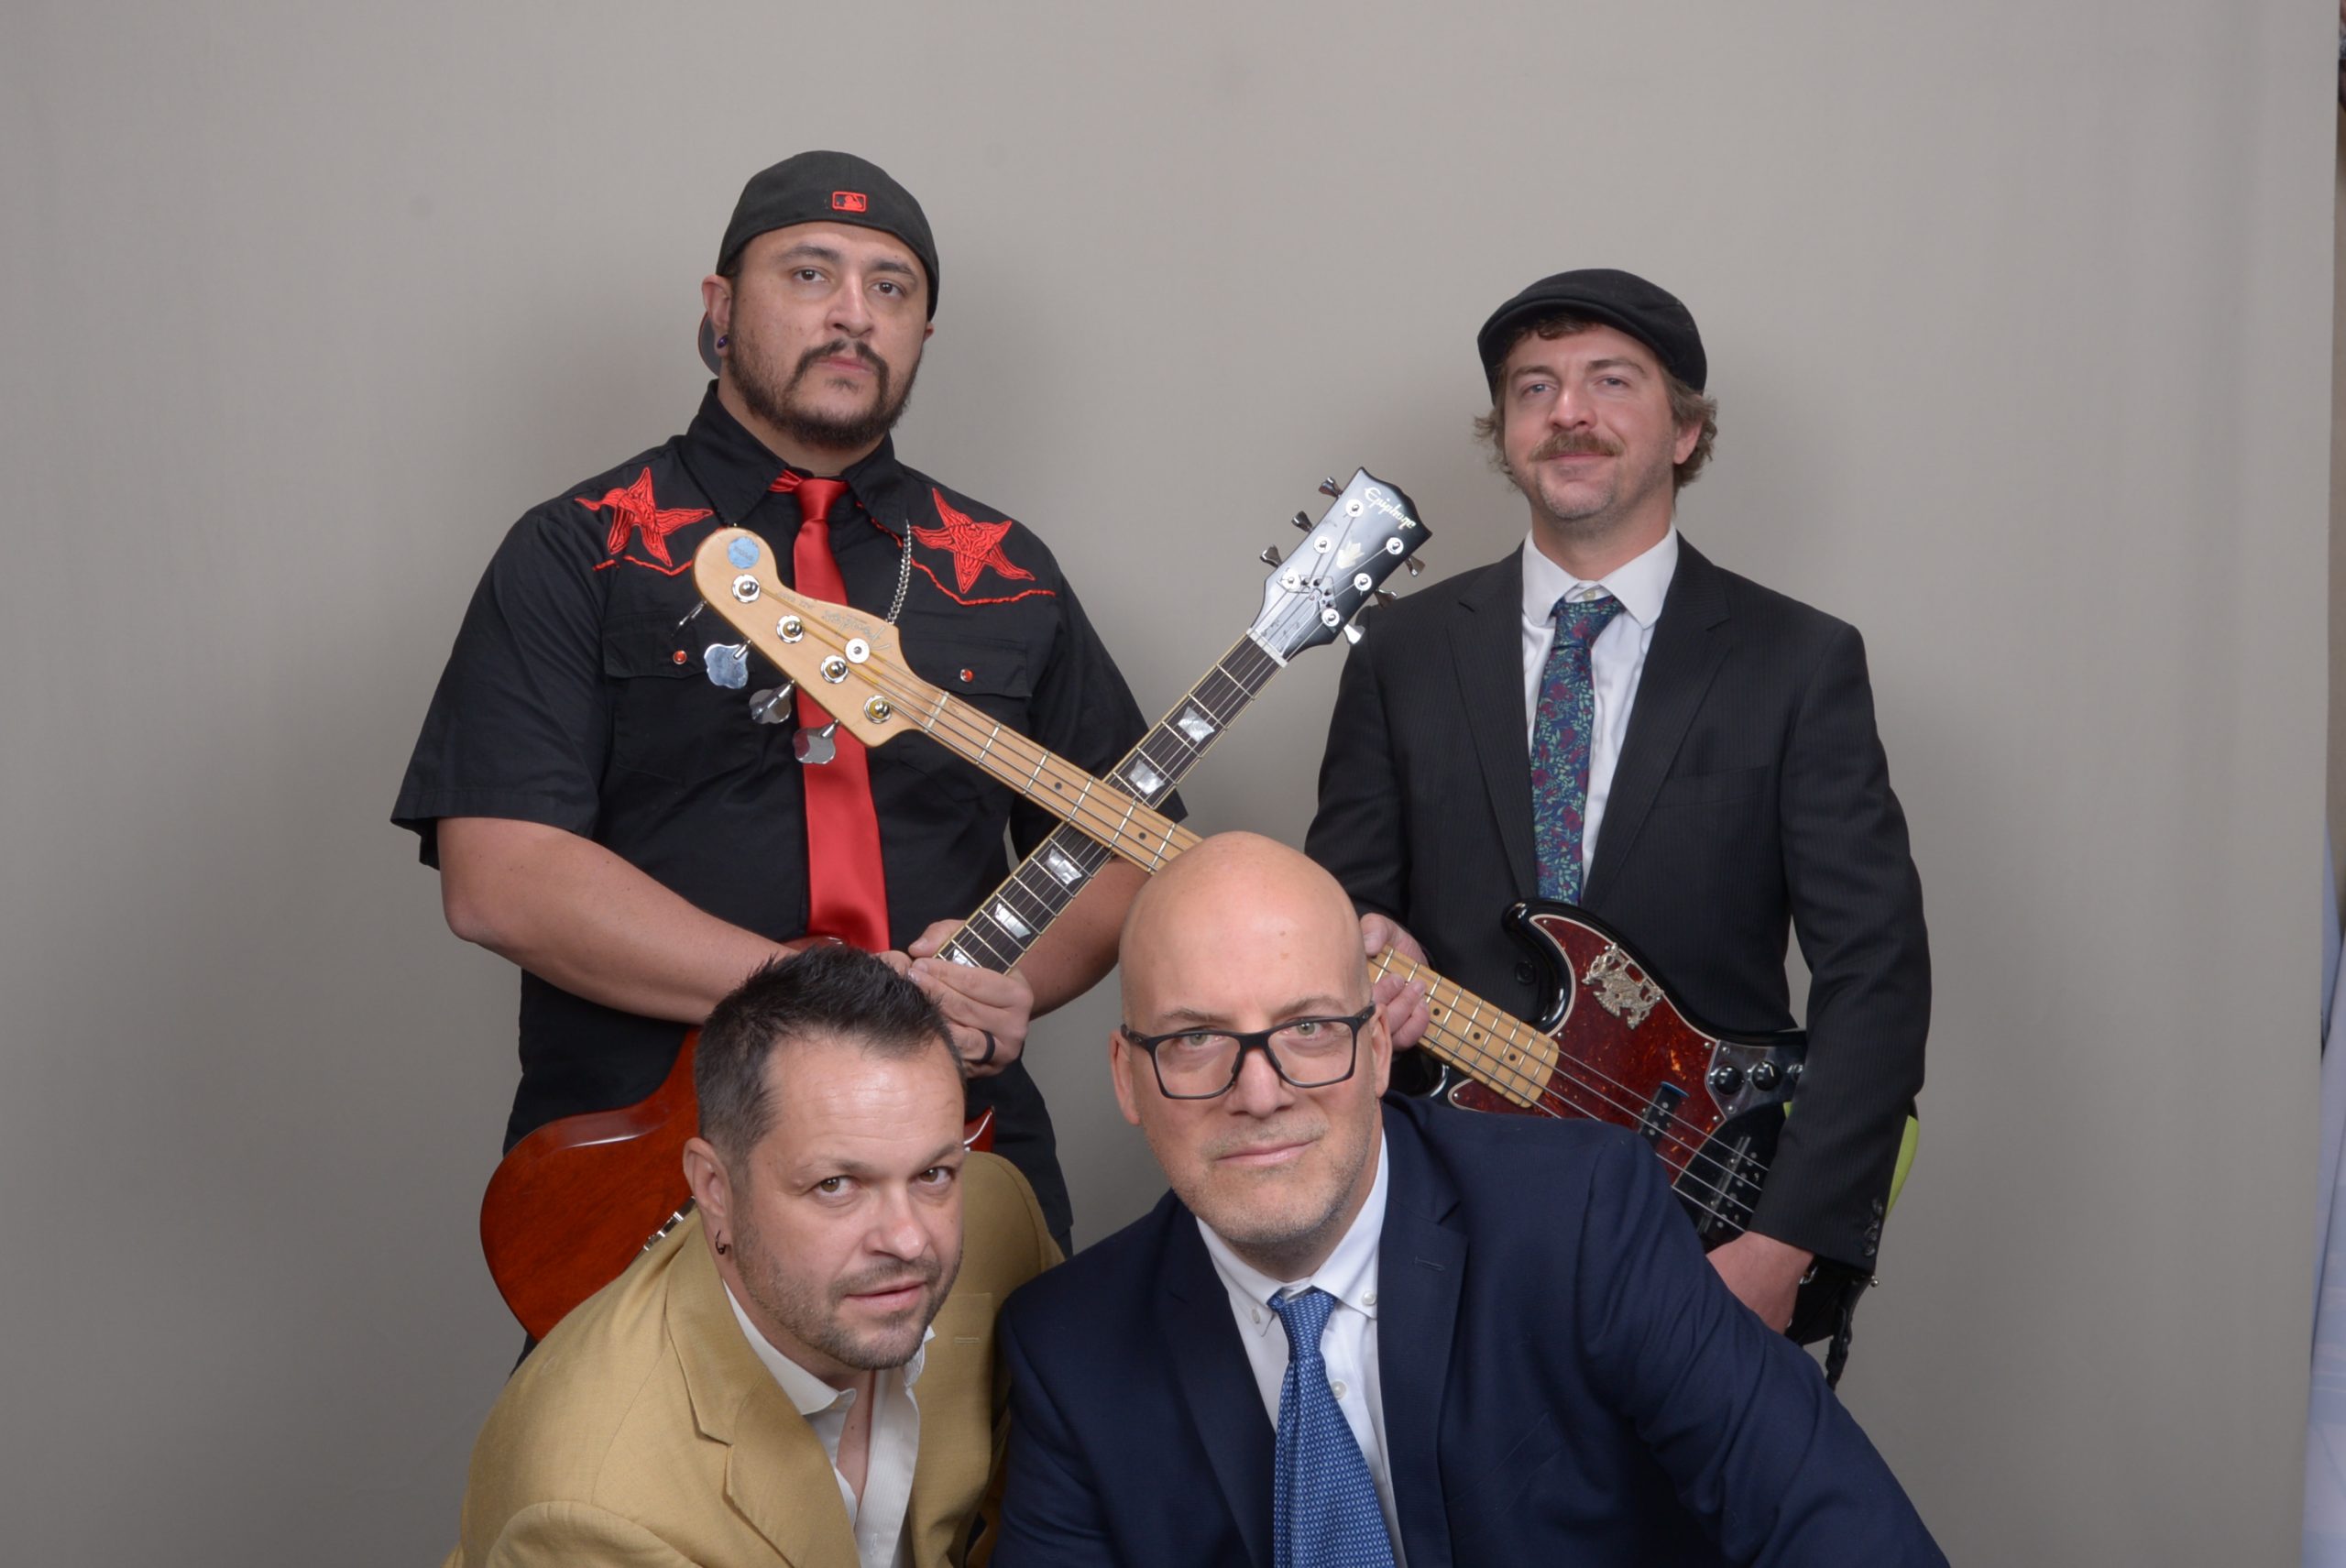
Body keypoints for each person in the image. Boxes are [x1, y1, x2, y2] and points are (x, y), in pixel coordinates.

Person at [393, 150, 1166, 1247]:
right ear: (718, 309)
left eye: (890, 287)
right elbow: (501, 877)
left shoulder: (1002, 568)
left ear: (922, 333)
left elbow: (1124, 851)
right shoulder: (582, 546)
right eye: (810, 274)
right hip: (653, 1160)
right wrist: (814, 995)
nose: (853, 313)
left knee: (1003, 1372)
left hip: (959, 1152)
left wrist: (1011, 981)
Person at [992, 834, 1939, 1565]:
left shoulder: (1581, 1215)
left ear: (1377, 1047)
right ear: (1127, 1077)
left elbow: (1832, 1519)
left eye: (1309, 1027)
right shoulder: (1070, 1350)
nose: (1261, 1090)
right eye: (1195, 1040)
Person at [1307, 269, 1929, 1330]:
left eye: (1610, 381)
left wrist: (1782, 1245)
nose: (1568, 412)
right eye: (1533, 388)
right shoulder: (1400, 655)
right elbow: (1337, 915)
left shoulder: (1797, 662)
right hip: (1437, 1203)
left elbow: (1877, 974)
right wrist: (1364, 942)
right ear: (1506, 434)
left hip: (1702, 1218)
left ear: (1685, 431)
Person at [446, 946, 1058, 1567]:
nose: (907, 1240)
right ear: (714, 1188)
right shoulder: (594, 1512)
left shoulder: (999, 1220)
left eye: (933, 1173)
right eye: (836, 1184)